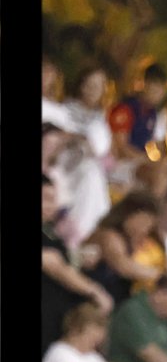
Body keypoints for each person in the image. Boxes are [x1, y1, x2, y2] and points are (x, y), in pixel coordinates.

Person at [42, 173, 113, 356]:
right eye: (45, 199)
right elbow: (53, 265)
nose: (50, 205)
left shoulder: (50, 231)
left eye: (53, 199)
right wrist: (94, 291)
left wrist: (78, 258)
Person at [60, 65, 113, 245]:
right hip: (63, 162)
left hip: (88, 166)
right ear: (81, 86)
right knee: (91, 174)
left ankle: (84, 232)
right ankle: (80, 235)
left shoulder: (100, 118)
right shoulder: (65, 109)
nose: (92, 91)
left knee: (91, 174)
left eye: (98, 87)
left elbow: (100, 146)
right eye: (89, 85)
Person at [82, 191, 163, 305]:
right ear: (130, 214)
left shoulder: (131, 242)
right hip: (89, 301)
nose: (145, 230)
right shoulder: (108, 235)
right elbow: (122, 265)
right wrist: (160, 276)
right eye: (144, 222)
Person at [108, 63, 167, 159]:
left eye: (162, 91)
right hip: (118, 162)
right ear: (145, 85)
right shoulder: (126, 109)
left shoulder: (152, 114)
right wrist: (145, 161)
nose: (159, 96)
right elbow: (121, 147)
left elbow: (158, 144)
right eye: (156, 90)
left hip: (137, 161)